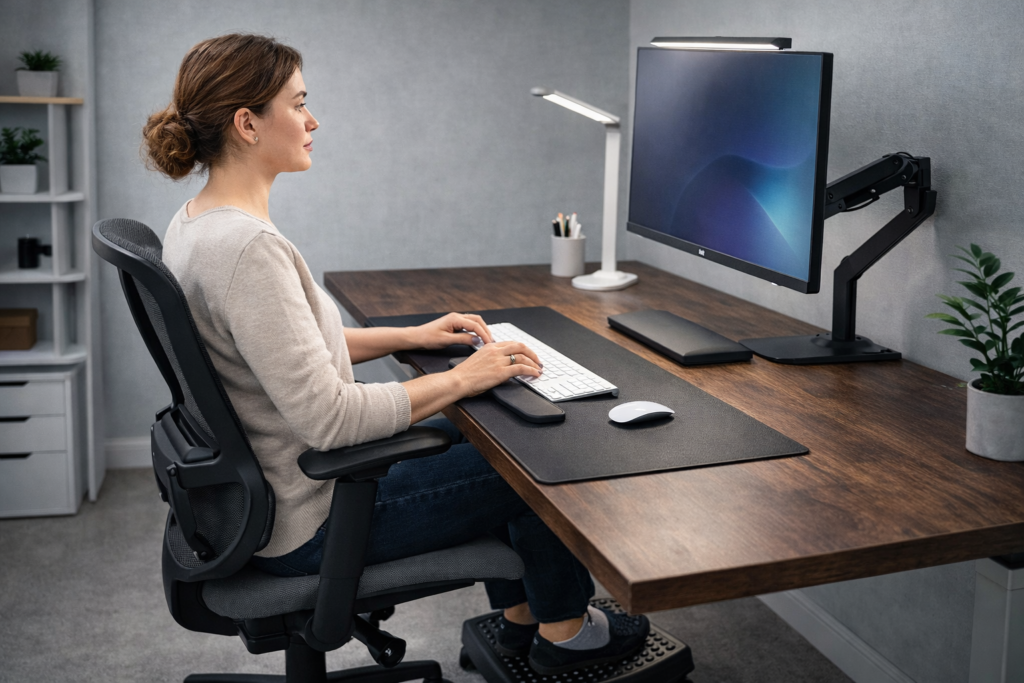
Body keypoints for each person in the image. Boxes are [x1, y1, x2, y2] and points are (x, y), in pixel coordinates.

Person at [142, 33, 648, 674]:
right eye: (298, 104)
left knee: (499, 423)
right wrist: (465, 377)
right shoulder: (247, 250)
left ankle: (523, 620)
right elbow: (330, 418)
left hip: (265, 498)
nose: (313, 121)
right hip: (311, 520)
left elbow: (290, 352)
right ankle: (568, 636)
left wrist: (415, 336)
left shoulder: (196, 223)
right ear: (247, 124)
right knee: (538, 457)